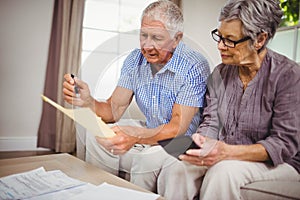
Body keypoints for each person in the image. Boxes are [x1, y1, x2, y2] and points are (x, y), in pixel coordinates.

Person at [63, 0, 210, 199]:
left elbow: (177, 128)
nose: (146, 45)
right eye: (143, 35)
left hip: (182, 141)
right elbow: (113, 110)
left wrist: (138, 135)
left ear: (177, 39)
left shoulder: (194, 65)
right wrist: (89, 101)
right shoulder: (135, 60)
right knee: (96, 134)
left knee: (145, 161)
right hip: (150, 129)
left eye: (156, 38)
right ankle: (99, 194)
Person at [179, 0, 300, 199]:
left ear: (260, 39)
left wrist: (228, 152)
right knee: (179, 168)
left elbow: (283, 143)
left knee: (223, 173)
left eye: (230, 40)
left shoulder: (288, 75)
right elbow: (211, 122)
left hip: (279, 163)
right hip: (227, 155)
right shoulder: (220, 73)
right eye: (219, 36)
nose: (220, 46)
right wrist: (202, 142)